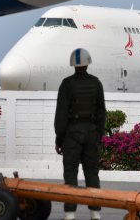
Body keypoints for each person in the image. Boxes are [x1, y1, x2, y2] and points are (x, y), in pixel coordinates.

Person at [55, 48, 106, 220]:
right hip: (91, 133)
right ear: (87, 63)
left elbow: (61, 115)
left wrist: (59, 138)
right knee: (92, 172)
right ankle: (95, 213)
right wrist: (99, 135)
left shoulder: (66, 84)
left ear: (73, 65)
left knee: (70, 173)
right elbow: (101, 113)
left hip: (72, 134)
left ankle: (70, 214)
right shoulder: (96, 83)